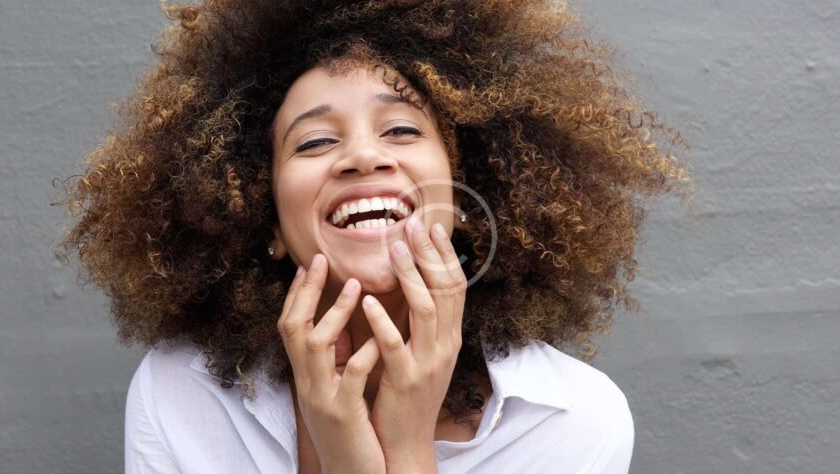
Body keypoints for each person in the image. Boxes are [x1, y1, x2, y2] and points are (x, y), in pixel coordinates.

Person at [56, 0, 689, 472]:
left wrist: (406, 449)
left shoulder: (571, 421)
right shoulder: (183, 391)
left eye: (402, 131)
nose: (362, 156)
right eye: (315, 141)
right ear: (267, 223)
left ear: (465, 199)